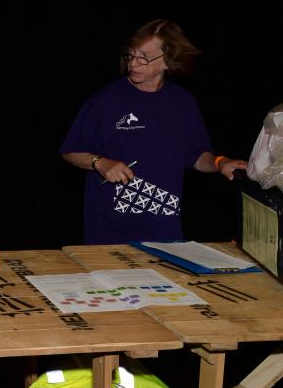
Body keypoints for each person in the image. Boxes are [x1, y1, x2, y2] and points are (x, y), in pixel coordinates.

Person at [60, 19, 247, 244]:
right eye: (131, 55)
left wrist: (220, 163)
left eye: (144, 58)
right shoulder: (105, 101)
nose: (133, 64)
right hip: (110, 235)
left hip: (165, 234)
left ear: (169, 61)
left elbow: (197, 156)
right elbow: (70, 151)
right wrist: (100, 162)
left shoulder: (183, 102)